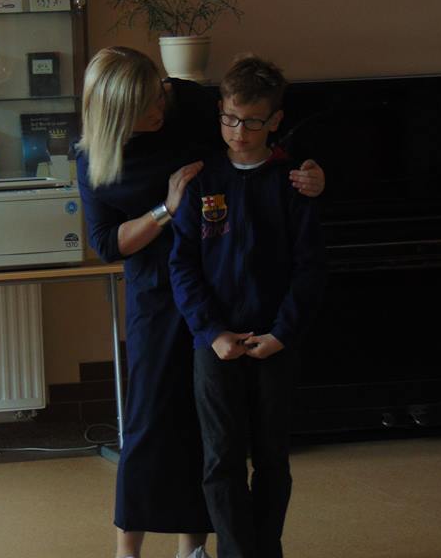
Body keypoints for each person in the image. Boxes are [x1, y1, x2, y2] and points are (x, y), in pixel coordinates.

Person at [76, 47, 325, 558]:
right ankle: (127, 550)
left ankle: (192, 547)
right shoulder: (94, 158)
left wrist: (314, 173)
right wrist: (166, 209)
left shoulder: (185, 102)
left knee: (206, 427)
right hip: (158, 289)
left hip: (221, 283)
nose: (159, 108)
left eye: (159, 95)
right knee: (148, 419)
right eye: (146, 106)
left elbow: (261, 121)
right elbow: (107, 243)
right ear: (118, 114)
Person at [169, 56, 327, 558]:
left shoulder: (292, 183)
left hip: (274, 341)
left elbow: (309, 269)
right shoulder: (202, 181)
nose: (240, 132)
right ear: (220, 111)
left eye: (254, 122)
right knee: (221, 458)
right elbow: (182, 266)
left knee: (272, 458)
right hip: (215, 343)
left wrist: (283, 332)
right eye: (231, 119)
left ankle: (266, 550)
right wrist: (211, 331)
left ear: (275, 120)